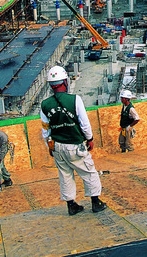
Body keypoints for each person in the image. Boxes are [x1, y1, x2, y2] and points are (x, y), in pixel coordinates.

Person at [40, 65, 107, 215]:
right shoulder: (75, 100)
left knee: (65, 176)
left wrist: (50, 147)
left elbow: (45, 130)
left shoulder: (44, 105)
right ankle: (96, 202)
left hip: (57, 147)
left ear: (51, 85)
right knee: (89, 172)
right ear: (64, 82)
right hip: (75, 145)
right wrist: (89, 138)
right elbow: (84, 123)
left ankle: (71, 205)